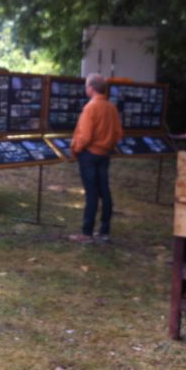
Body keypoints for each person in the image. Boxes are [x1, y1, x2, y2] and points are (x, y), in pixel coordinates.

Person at [69, 73, 123, 244]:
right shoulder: (111, 108)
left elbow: (85, 136)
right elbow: (118, 134)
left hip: (89, 155)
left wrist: (76, 149)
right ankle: (104, 231)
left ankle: (87, 232)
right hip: (104, 155)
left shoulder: (90, 108)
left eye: (86, 86)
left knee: (91, 194)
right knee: (105, 192)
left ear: (91, 88)